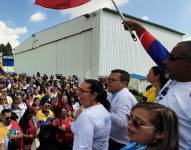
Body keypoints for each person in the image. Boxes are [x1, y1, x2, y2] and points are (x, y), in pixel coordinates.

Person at [123, 20, 191, 150]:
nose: (165, 61)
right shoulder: (173, 76)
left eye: (171, 58)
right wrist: (139, 29)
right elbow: (156, 50)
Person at [71, 79, 111, 150]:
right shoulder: (103, 110)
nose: (77, 93)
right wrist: (76, 117)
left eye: (82, 91)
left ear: (93, 95)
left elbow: (83, 148)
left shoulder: (87, 116)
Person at [107, 69, 137, 150]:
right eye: (108, 79)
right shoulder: (112, 95)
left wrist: (104, 111)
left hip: (120, 142)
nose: (108, 82)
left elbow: (123, 122)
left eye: (112, 80)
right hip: (114, 138)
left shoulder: (125, 98)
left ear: (124, 83)